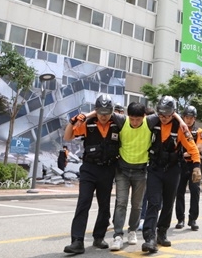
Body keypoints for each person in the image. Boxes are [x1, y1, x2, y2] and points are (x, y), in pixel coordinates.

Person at [63, 94, 123, 255]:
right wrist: (75, 120)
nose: (103, 116)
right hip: (89, 168)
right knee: (83, 203)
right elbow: (68, 136)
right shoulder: (88, 123)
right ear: (96, 110)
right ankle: (77, 241)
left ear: (112, 111)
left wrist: (91, 113)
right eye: (100, 112)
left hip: (108, 170)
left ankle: (99, 237)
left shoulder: (118, 123)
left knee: (104, 206)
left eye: (107, 112)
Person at [141, 96, 202, 253]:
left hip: (173, 169)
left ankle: (162, 232)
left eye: (168, 115)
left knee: (168, 203)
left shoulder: (180, 128)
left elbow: (193, 147)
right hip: (155, 168)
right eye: (161, 114)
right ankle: (150, 237)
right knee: (154, 202)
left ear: (173, 113)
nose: (164, 118)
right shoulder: (152, 122)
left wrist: (196, 166)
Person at [110, 102, 160, 251]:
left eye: (138, 119)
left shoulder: (149, 121)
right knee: (121, 202)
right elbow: (104, 111)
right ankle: (118, 235)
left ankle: (132, 231)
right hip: (122, 170)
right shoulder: (122, 120)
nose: (134, 122)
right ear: (128, 116)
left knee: (137, 205)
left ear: (144, 117)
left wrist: (183, 122)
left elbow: (168, 113)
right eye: (132, 119)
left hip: (141, 170)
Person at [175, 105, 202, 231]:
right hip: (181, 164)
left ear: (194, 118)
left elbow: (198, 148)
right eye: (186, 117)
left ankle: (193, 219)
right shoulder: (179, 129)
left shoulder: (199, 132)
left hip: (194, 164)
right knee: (179, 192)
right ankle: (180, 219)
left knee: (195, 191)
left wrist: (187, 153)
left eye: (191, 118)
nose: (188, 120)